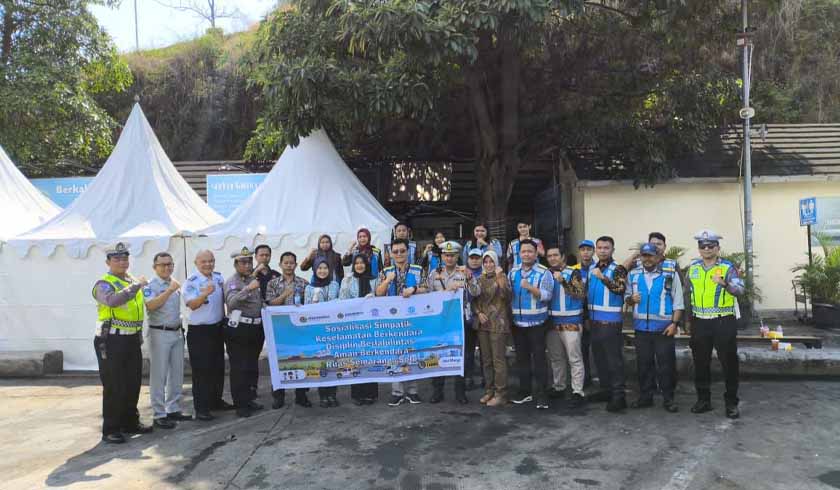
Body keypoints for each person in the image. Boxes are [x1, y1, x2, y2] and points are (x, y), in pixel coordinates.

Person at [92, 242, 151, 443]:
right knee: (114, 384)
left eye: (125, 258)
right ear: (108, 261)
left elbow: (138, 309)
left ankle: (129, 422)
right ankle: (111, 428)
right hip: (111, 339)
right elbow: (112, 301)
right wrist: (136, 286)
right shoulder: (103, 283)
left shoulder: (132, 280)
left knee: (133, 382)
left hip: (132, 338)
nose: (122, 262)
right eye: (116, 258)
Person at [687, 230, 745, 419]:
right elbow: (688, 295)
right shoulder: (693, 268)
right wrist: (687, 320)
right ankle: (703, 400)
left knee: (728, 363)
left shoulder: (728, 267)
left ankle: (731, 403)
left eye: (710, 246)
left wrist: (725, 284)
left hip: (723, 321)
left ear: (718, 248)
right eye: (702, 246)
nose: (706, 249)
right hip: (699, 322)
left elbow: (740, 290)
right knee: (700, 362)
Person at [625, 243, 684, 413]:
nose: (648, 259)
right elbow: (627, 298)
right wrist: (630, 299)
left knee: (666, 366)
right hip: (641, 328)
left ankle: (668, 399)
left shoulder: (669, 275)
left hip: (664, 329)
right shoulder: (634, 275)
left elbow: (678, 301)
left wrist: (674, 324)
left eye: (651, 256)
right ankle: (645, 397)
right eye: (644, 255)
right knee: (644, 365)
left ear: (658, 257)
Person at [426, 241, 480, 404]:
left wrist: (469, 278)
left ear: (458, 256)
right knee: (438, 353)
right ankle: (437, 391)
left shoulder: (465, 272)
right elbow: (427, 296)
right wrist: (445, 291)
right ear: (442, 256)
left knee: (461, 355)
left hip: (460, 320)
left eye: (452, 255)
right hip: (441, 321)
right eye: (446, 255)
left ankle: (460, 392)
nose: (449, 258)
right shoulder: (434, 274)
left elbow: (476, 292)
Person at [143, 252, 191, 430]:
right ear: (155, 267)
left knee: (177, 373)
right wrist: (170, 289)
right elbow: (151, 305)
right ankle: (159, 413)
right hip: (159, 333)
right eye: (162, 264)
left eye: (169, 264)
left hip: (176, 332)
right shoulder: (150, 285)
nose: (167, 267)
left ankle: (174, 408)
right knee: (159, 375)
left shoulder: (175, 284)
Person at [184, 250, 233, 421]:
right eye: (204, 261)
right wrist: (205, 293)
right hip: (199, 331)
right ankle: (201, 408)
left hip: (217, 328)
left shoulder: (218, 278)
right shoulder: (191, 282)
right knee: (201, 371)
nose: (208, 264)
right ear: (196, 262)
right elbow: (192, 304)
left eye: (211, 261)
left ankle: (215, 401)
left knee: (218, 368)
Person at [376, 238, 424, 406]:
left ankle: (413, 391)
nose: (399, 254)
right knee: (394, 356)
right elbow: (378, 293)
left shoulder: (418, 270)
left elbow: (427, 288)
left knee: (412, 354)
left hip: (413, 319)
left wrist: (414, 289)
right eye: (395, 251)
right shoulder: (386, 271)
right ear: (390, 253)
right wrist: (388, 280)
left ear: (408, 251)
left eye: (402, 251)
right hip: (392, 321)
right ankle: (397, 392)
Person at [508, 239, 553, 409]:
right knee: (522, 360)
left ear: (536, 254)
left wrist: (530, 287)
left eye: (530, 251)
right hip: (518, 324)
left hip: (537, 324)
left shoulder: (544, 272)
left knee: (539, 360)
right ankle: (525, 392)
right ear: (519, 254)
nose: (526, 254)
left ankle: (542, 394)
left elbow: (547, 295)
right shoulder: (513, 272)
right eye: (523, 251)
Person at [586, 236, 629, 413]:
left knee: (614, 361)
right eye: (600, 247)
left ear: (612, 250)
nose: (602, 250)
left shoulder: (617, 269)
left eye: (606, 248)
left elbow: (620, 289)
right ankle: (606, 390)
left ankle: (619, 396)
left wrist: (603, 278)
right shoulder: (592, 269)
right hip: (594, 322)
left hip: (610, 323)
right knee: (600, 360)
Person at [265, 251, 312, 409]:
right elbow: (270, 304)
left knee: (300, 359)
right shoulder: (272, 284)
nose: (289, 265)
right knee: (278, 362)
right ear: (280, 264)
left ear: (296, 265)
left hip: (299, 328)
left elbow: (310, 306)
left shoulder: (304, 283)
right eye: (286, 263)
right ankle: (278, 396)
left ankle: (301, 395)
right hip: (279, 328)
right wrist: (285, 294)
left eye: (292, 263)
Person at [224, 247, 266, 418]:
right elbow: (231, 303)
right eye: (243, 262)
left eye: (249, 261)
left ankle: (249, 399)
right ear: (236, 264)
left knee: (250, 365)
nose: (247, 265)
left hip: (255, 328)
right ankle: (240, 404)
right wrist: (248, 289)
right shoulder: (232, 282)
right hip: (239, 328)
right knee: (239, 368)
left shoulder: (252, 279)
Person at [545, 247, 587, 408]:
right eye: (549, 255)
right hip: (552, 321)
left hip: (571, 320)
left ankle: (578, 391)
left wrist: (562, 281)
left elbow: (579, 294)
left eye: (556, 255)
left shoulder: (574, 272)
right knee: (556, 357)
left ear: (562, 256)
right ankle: (559, 387)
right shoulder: (546, 274)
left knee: (574, 357)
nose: (553, 258)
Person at [339, 254, 381, 405]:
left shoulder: (375, 279)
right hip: (354, 326)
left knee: (370, 359)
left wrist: (374, 298)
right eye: (356, 263)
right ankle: (357, 394)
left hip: (371, 326)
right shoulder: (348, 280)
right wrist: (346, 282)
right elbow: (342, 300)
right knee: (356, 360)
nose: (359, 265)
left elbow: (382, 300)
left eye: (362, 263)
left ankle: (371, 394)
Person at [473, 250, 511, 407]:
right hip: (483, 323)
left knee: (498, 360)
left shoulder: (502, 278)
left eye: (491, 262)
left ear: (496, 263)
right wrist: (478, 313)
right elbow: (474, 300)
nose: (488, 265)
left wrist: (500, 276)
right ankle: (489, 391)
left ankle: (501, 393)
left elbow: (507, 296)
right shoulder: (479, 279)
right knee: (486, 360)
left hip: (498, 323)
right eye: (486, 262)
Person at [304, 257, 341, 408]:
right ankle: (323, 395)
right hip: (317, 331)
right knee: (322, 363)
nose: (322, 271)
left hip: (333, 330)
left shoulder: (335, 285)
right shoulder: (309, 288)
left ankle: (333, 394)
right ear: (315, 269)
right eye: (319, 268)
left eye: (325, 268)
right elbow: (306, 309)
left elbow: (340, 303)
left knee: (333, 362)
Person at [573, 239, 597, 388]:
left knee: (598, 349)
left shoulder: (599, 267)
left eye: (588, 249)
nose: (585, 252)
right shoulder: (574, 269)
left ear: (593, 251)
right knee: (581, 349)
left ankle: (603, 380)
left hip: (598, 315)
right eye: (583, 249)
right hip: (580, 315)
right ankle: (585, 378)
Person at [464, 248, 485, 390]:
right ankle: (468, 378)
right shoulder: (462, 272)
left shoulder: (487, 273)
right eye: (472, 257)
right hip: (466, 317)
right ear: (468, 259)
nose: (475, 260)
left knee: (485, 351)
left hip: (483, 317)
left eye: (478, 258)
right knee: (468, 351)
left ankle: (486, 378)